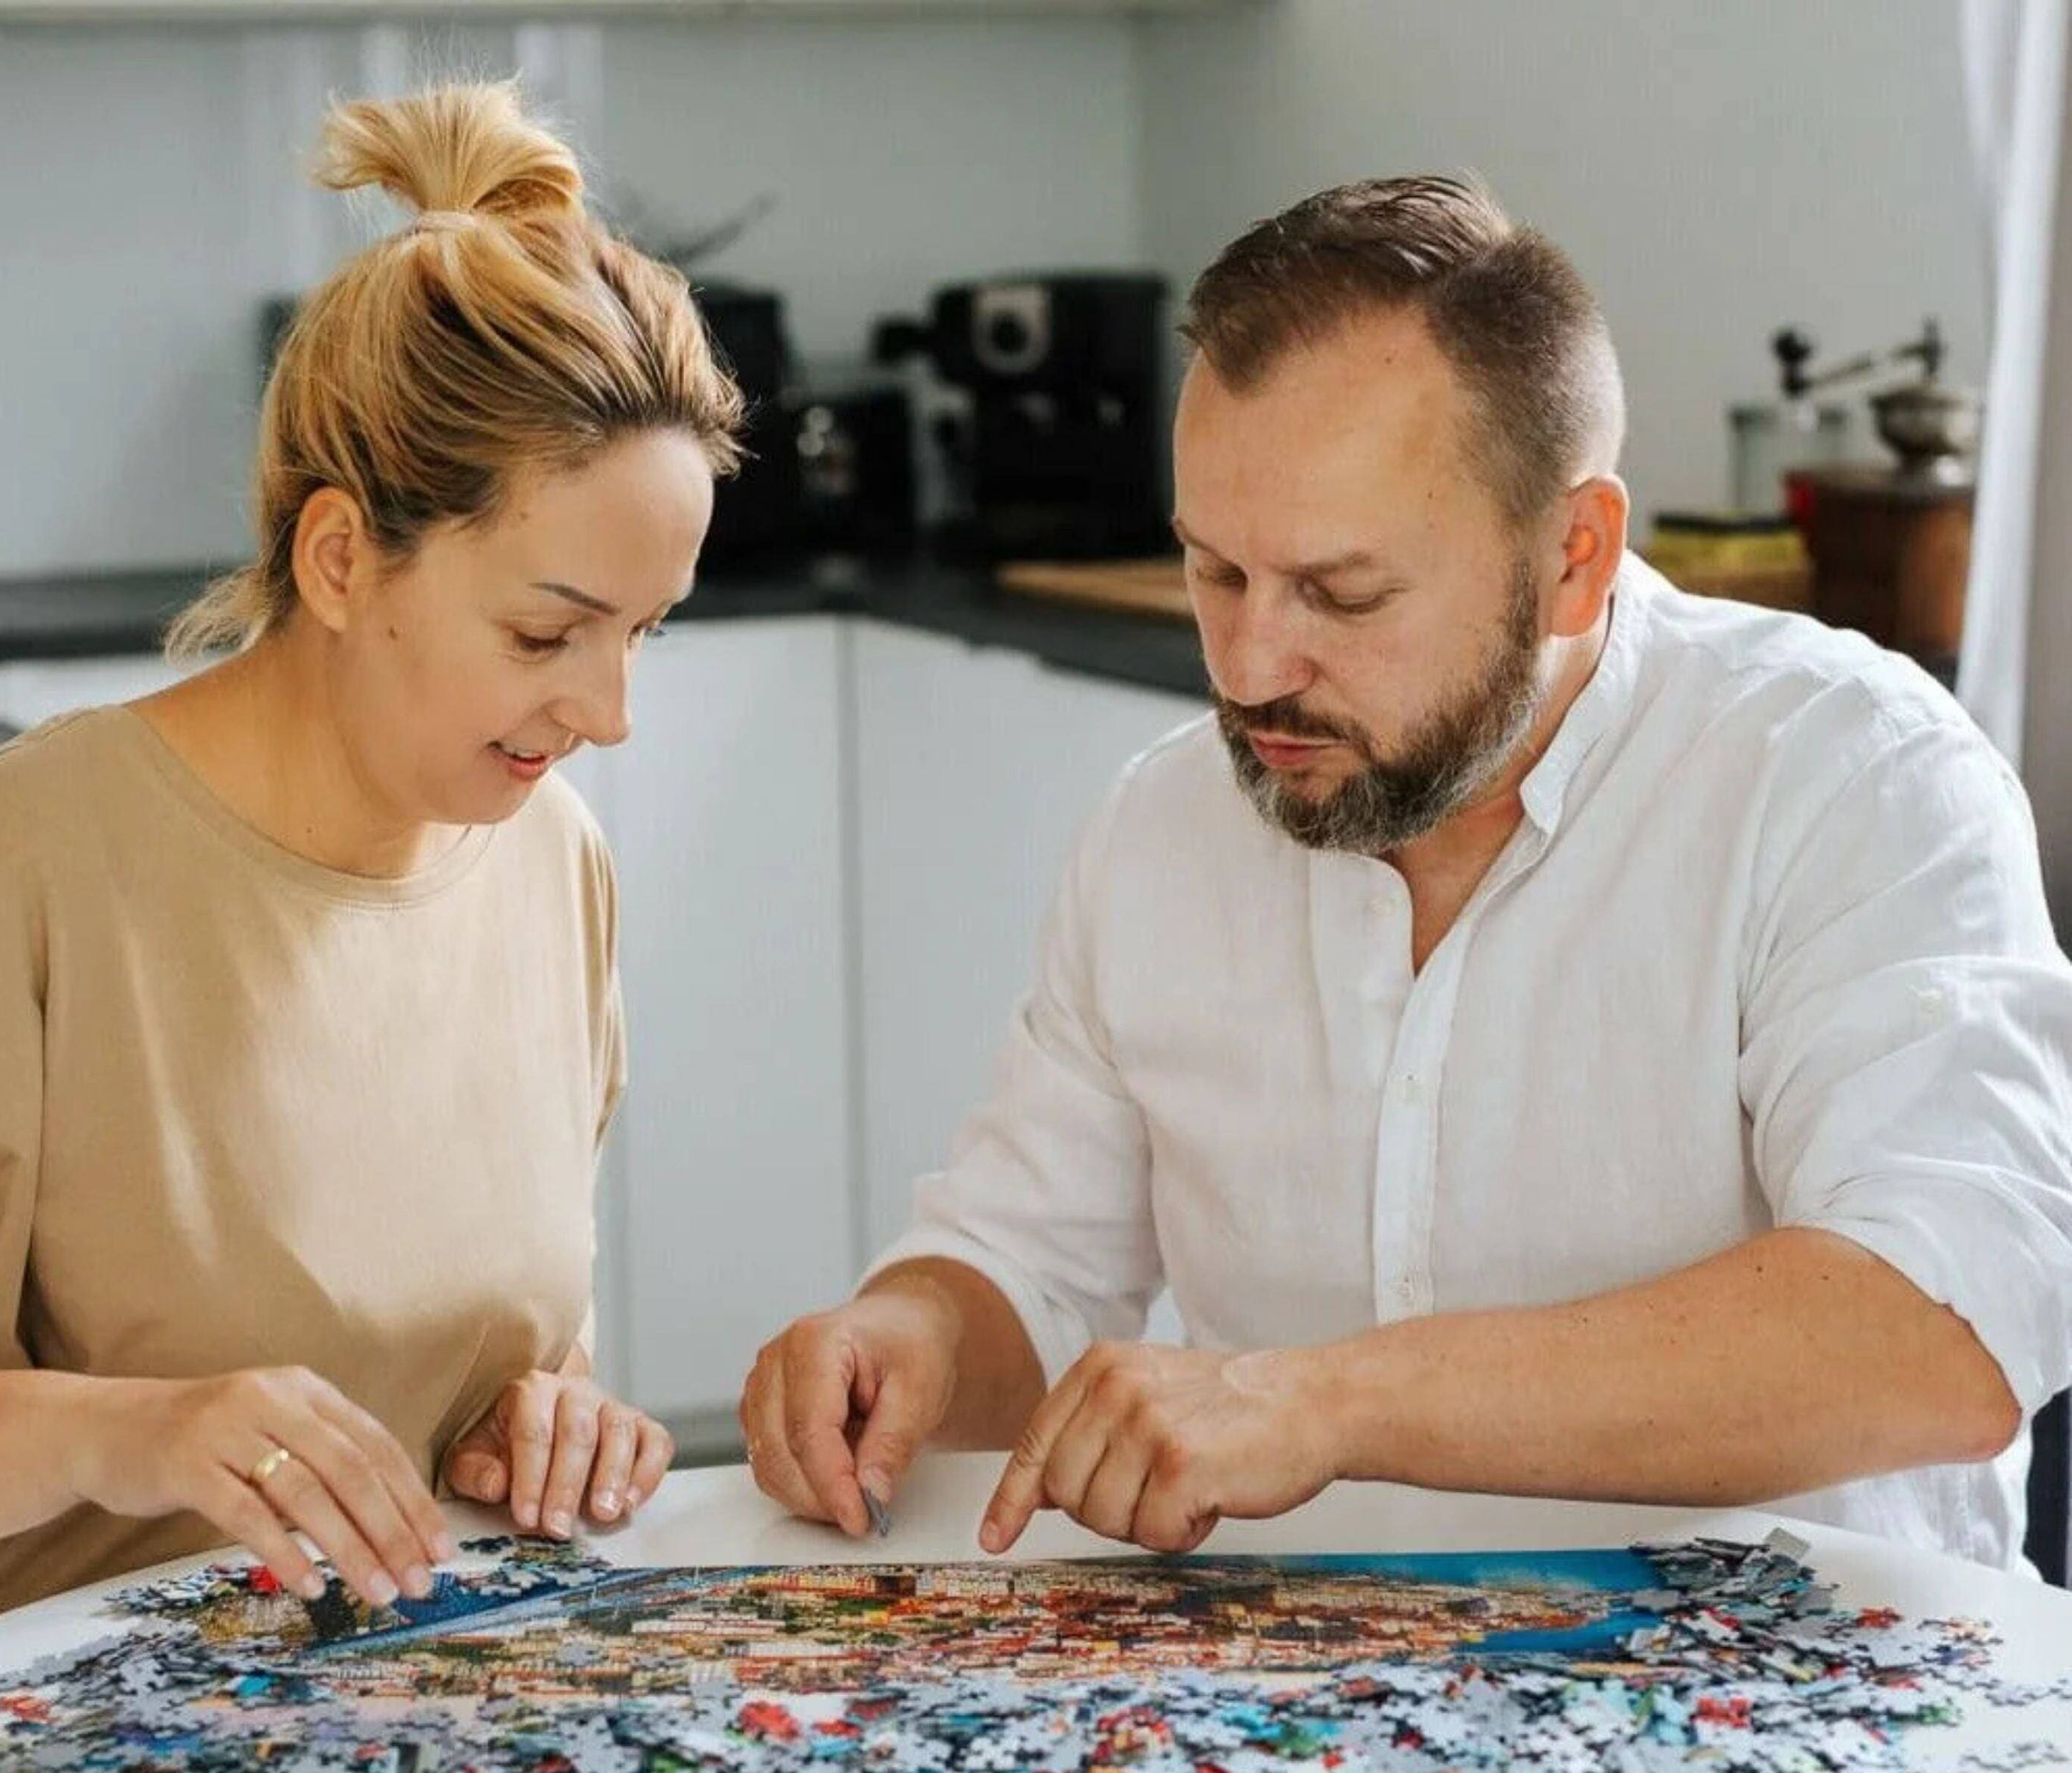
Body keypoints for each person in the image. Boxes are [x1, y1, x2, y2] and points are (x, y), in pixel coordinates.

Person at [742, 176, 2072, 1570]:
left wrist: (1320, 1400)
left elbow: (1939, 1328)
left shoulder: (1852, 774)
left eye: (1343, 594)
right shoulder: (1163, 828)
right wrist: (916, 1345)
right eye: (1214, 574)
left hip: (1817, 1739)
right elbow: (1033, 1268)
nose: (1252, 668)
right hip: (1309, 1728)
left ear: (1574, 558)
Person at [0, 79, 742, 1682]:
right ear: (337, 560)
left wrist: (548, 1422)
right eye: (547, 634)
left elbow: (495, 1339)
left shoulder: (550, 861)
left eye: (642, 633)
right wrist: (131, 1437)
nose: (610, 716)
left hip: (372, 1754)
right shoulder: (27, 862)